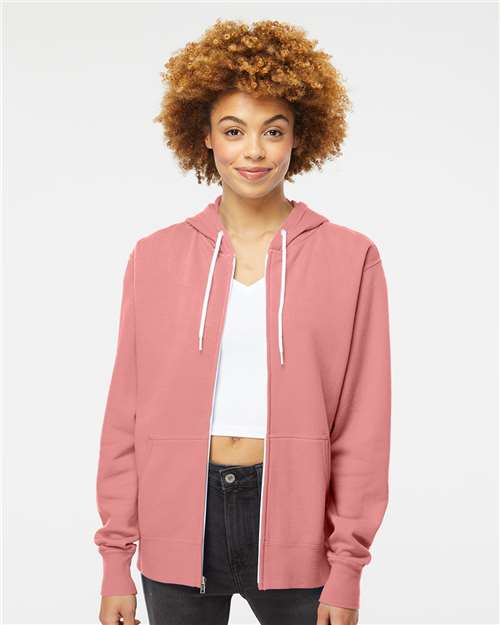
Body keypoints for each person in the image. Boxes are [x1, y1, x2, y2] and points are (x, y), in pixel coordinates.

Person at [94, 18, 391, 625]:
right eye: (234, 131)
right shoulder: (154, 257)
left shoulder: (351, 257)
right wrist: (115, 559)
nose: (253, 151)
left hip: (300, 527)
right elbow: (125, 414)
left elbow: (364, 426)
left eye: (272, 131)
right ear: (205, 136)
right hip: (176, 522)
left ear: (298, 137)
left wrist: (347, 569)